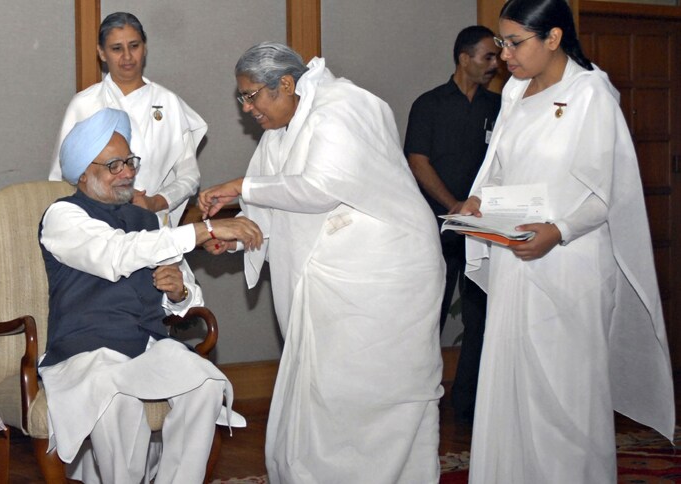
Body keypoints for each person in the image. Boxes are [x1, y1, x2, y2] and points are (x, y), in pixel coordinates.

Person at [198, 42, 445, 483]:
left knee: (371, 396)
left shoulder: (343, 106)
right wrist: (236, 242)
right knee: (324, 398)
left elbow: (319, 188)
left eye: (252, 95)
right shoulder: (281, 127)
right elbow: (274, 205)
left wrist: (240, 186)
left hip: (381, 279)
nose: (246, 107)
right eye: (243, 97)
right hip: (333, 280)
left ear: (287, 84)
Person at [458, 1, 675, 482]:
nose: (505, 56)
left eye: (515, 43)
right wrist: (477, 201)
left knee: (565, 395)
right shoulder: (514, 92)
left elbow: (609, 194)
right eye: (501, 43)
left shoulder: (591, 93)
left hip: (569, 262)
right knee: (513, 385)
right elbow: (497, 166)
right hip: (516, 256)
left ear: (553, 38)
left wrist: (560, 231)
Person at [38, 108, 262, 484]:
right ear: (83, 173)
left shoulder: (149, 221)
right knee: (117, 402)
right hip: (88, 353)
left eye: (129, 161)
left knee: (206, 384)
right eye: (113, 165)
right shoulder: (63, 216)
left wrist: (178, 293)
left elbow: (190, 300)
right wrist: (203, 230)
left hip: (146, 347)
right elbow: (117, 254)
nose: (127, 172)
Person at [404, 25, 500, 424]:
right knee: (431, 315)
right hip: (436, 228)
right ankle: (418, 400)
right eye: (488, 57)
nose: (496, 64)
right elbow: (417, 160)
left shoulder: (498, 107)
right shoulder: (429, 104)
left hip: (482, 230)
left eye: (498, 57)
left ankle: (471, 405)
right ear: (464, 58)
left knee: (481, 317)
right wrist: (452, 205)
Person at [49, 12, 206, 228]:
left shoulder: (168, 102)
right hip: (96, 226)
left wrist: (155, 202)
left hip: (155, 223)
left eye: (134, 46)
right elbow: (60, 178)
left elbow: (189, 175)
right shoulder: (84, 104)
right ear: (101, 53)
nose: (127, 57)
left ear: (145, 47)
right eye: (116, 49)